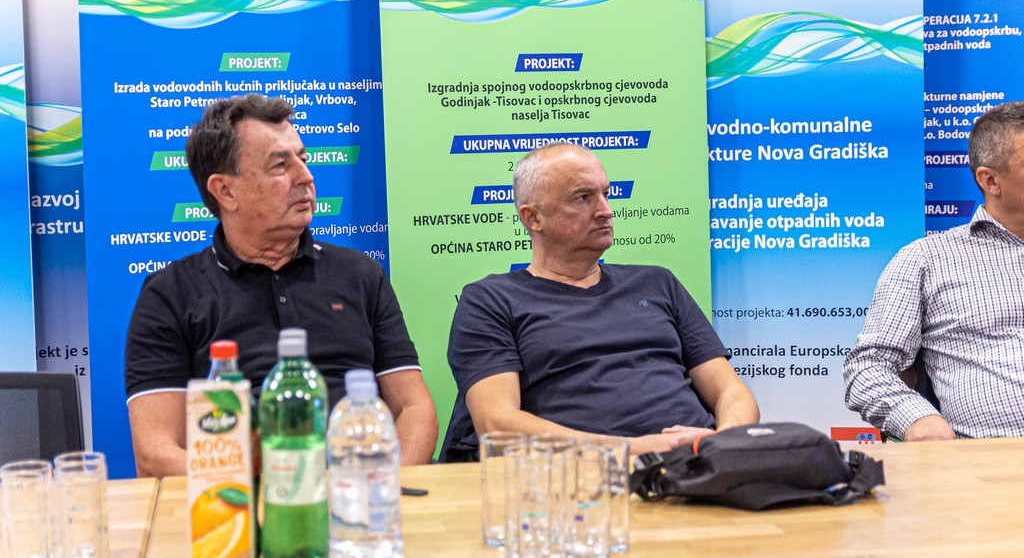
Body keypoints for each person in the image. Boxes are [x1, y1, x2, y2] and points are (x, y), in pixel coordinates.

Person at [125, 93, 437, 476]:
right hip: (239, 498)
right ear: (225, 191)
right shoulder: (170, 294)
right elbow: (155, 453)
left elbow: (414, 408)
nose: (306, 177)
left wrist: (382, 488)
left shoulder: (360, 274)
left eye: (303, 159)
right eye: (280, 166)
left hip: (364, 489)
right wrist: (272, 493)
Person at [441, 142, 759, 461]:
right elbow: (496, 425)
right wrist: (636, 450)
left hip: (699, 465)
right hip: (580, 474)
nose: (606, 210)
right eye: (583, 197)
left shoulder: (658, 283)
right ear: (533, 218)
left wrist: (723, 441)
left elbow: (731, 391)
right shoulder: (491, 300)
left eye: (606, 194)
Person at [843, 101, 1024, 441]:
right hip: (988, 458)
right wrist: (917, 419)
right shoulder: (926, 259)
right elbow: (867, 367)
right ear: (990, 180)